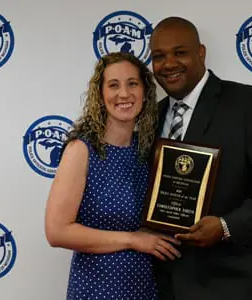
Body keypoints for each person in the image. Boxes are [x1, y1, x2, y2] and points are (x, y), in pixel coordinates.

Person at [149, 17, 252, 300]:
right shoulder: (151, 117)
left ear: (201, 52)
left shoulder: (249, 104)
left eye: (180, 52)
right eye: (159, 56)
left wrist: (226, 227)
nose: (169, 63)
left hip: (236, 281)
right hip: (166, 282)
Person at [44, 52, 181, 300]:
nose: (124, 94)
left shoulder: (147, 150)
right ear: (100, 94)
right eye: (113, 85)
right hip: (97, 289)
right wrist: (133, 240)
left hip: (145, 288)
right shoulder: (82, 150)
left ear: (145, 92)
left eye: (132, 83)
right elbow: (57, 231)